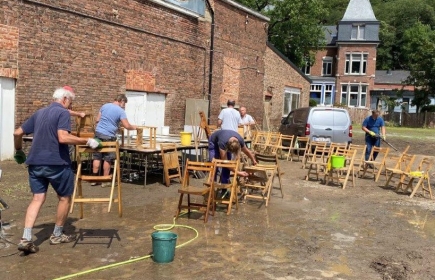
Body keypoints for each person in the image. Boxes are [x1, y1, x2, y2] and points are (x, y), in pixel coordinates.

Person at [13, 87, 101, 254]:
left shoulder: (40, 113)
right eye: (70, 102)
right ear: (65, 99)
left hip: (35, 163)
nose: (70, 106)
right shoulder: (63, 113)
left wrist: (18, 150)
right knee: (64, 198)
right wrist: (87, 141)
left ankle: (26, 237)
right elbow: (63, 137)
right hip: (56, 164)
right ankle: (57, 234)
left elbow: (17, 133)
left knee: (37, 198)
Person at [92, 94, 136, 182]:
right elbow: (126, 125)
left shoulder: (104, 106)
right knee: (108, 158)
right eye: (124, 104)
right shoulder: (120, 111)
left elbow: (97, 120)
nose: (124, 106)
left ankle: (94, 179)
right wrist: (134, 127)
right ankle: (105, 180)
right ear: (121, 101)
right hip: (109, 136)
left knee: (97, 156)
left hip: (98, 134)